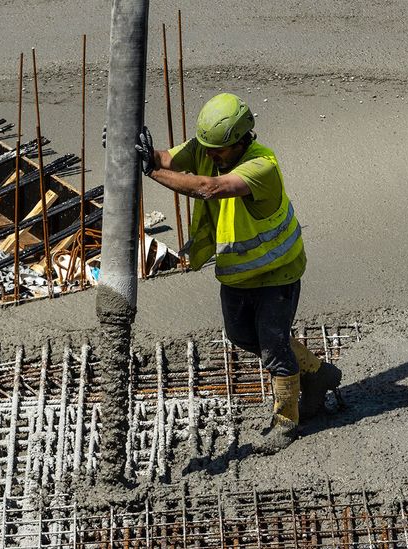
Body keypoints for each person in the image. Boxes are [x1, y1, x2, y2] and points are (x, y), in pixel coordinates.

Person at [134, 93, 342, 453]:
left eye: (219, 150)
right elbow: (168, 158)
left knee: (274, 346)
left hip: (277, 273)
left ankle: (286, 421)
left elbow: (209, 188)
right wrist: (140, 153)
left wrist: (152, 172)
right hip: (237, 274)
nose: (211, 155)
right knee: (243, 336)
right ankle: (318, 373)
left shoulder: (262, 167)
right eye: (208, 148)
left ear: (242, 140)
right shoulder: (209, 146)